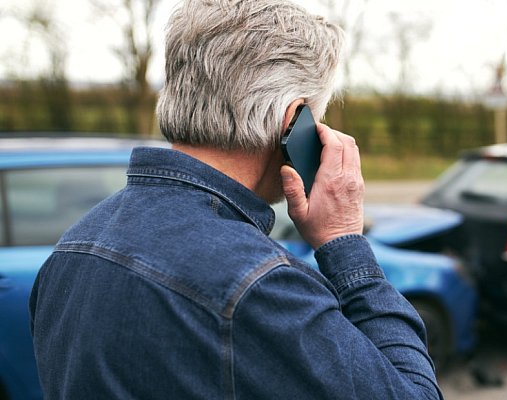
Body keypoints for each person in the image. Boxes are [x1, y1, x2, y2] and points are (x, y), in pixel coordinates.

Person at [28, 0, 443, 398]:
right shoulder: (259, 284)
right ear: (291, 120)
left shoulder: (71, 247)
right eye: (315, 116)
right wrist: (344, 242)